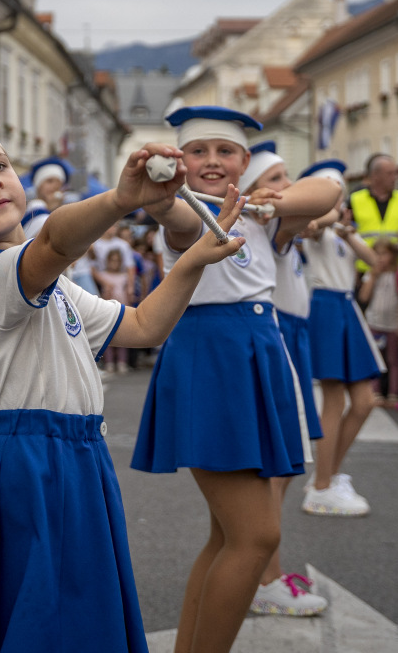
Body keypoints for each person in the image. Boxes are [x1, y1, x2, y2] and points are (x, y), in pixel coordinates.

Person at [0, 93, 251, 653]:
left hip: (78, 455)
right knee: (40, 617)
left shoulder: (51, 284)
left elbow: (145, 326)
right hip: (30, 458)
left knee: (75, 611)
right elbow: (52, 240)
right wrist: (122, 199)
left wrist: (192, 260)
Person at [132, 106, 339, 652]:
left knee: (227, 536)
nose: (212, 161)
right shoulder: (185, 210)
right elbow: (168, 215)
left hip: (255, 358)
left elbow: (329, 191)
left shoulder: (262, 215)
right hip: (213, 362)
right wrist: (161, 192)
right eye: (197, 150)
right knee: (257, 536)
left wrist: (272, 203)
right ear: (180, 160)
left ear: (245, 162)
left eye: (225, 151)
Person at [242, 140, 328, 619]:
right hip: (275, 333)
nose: (286, 185)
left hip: (293, 334)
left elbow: (327, 198)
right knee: (273, 469)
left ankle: (266, 571)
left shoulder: (281, 215)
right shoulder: (264, 222)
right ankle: (267, 577)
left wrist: (283, 199)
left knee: (286, 466)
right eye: (275, 178)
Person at [302, 166, 382, 517]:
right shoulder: (314, 229)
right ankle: (321, 486)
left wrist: (348, 232)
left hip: (346, 308)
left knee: (364, 402)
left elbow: (375, 261)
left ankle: (329, 474)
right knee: (333, 401)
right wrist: (330, 217)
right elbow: (314, 227)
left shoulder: (341, 232)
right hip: (324, 306)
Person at [358, 239, 398, 404]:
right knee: (376, 358)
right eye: (377, 254)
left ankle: (394, 393)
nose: (381, 258)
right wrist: (373, 276)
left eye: (384, 253)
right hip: (374, 323)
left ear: (393, 255)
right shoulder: (372, 273)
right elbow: (363, 297)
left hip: (393, 324)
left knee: (394, 360)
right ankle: (375, 391)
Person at [349, 153, 398, 258]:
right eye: (390, 174)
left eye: (396, 173)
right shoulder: (354, 200)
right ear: (375, 176)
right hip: (364, 267)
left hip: (396, 267)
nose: (395, 178)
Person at [94, 247, 135, 373]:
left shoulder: (124, 276)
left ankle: (122, 362)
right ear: (107, 261)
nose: (114, 263)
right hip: (108, 309)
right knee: (108, 337)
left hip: (123, 308)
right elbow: (102, 296)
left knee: (123, 337)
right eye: (112, 261)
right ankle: (109, 362)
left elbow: (128, 293)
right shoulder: (103, 276)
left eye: (117, 261)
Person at [21, 155, 72, 237]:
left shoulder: (56, 211)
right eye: (50, 181)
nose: (55, 187)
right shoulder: (35, 208)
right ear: (38, 186)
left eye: (60, 184)